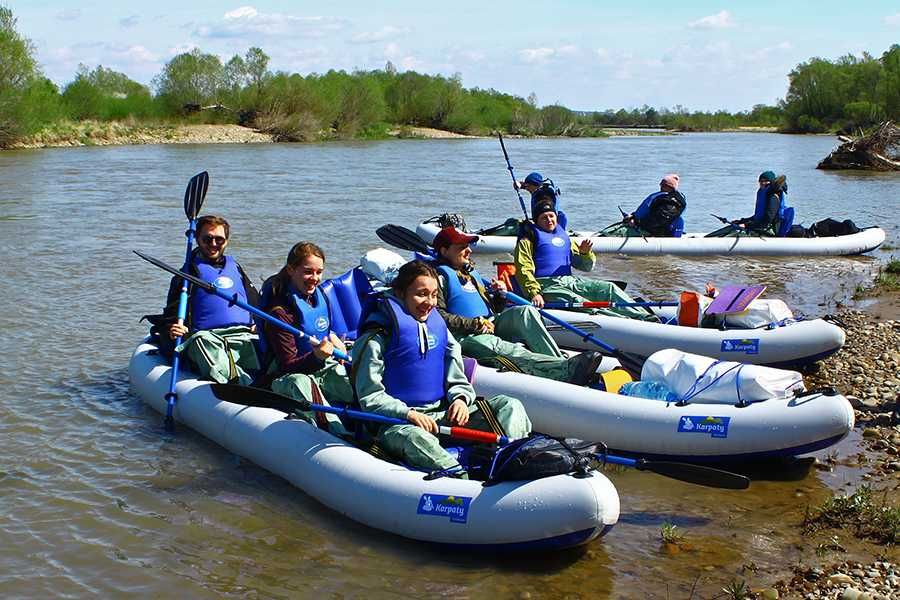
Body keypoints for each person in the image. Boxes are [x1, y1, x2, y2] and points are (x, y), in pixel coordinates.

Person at [351, 260, 532, 474]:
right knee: (416, 439)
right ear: (400, 293)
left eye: (434, 294)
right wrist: (408, 414)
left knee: (509, 406)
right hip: (398, 424)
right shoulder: (377, 336)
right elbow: (370, 397)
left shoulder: (439, 327)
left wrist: (460, 399)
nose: (429, 302)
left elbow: (456, 376)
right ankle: (460, 479)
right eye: (421, 294)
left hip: (442, 416)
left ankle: (516, 463)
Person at [431, 226, 604, 385]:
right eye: (461, 247)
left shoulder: (470, 273)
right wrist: (475, 324)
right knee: (495, 344)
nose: (468, 250)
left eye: (468, 245)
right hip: (466, 337)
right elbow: (437, 315)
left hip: (490, 323)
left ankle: (558, 362)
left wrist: (499, 296)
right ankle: (559, 369)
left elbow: (494, 308)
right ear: (444, 251)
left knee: (526, 312)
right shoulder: (438, 278)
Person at [514, 188, 654, 320]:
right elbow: (523, 268)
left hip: (570, 282)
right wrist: (534, 293)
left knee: (608, 288)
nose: (549, 220)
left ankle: (644, 317)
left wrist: (584, 253)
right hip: (546, 286)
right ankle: (625, 322)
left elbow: (586, 267)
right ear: (537, 220)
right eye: (544, 218)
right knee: (580, 302)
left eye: (551, 216)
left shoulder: (564, 237)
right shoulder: (528, 239)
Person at [259, 242, 354, 434]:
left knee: (354, 382)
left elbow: (325, 331)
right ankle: (336, 433)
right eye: (308, 272)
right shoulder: (280, 313)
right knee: (302, 383)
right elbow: (288, 365)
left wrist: (335, 341)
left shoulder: (318, 297)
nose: (315, 278)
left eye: (319, 272)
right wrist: (317, 357)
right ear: (291, 270)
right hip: (286, 376)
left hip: (321, 366)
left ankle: (372, 426)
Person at [156, 214, 260, 385]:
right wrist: (172, 328)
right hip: (208, 339)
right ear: (197, 239)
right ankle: (238, 384)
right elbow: (171, 314)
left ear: (226, 240)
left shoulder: (236, 268)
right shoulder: (187, 274)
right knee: (200, 340)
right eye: (207, 239)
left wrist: (260, 324)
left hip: (243, 335)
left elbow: (256, 304)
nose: (213, 244)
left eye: (219, 239)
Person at [707, 171, 789, 237]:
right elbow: (757, 217)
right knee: (732, 227)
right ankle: (707, 238)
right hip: (759, 226)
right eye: (761, 181)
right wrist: (741, 221)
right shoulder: (765, 194)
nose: (762, 183)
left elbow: (767, 220)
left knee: (735, 231)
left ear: (771, 182)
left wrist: (746, 225)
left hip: (769, 230)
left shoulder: (773, 197)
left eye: (765, 181)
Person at [604, 174, 686, 237]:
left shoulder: (665, 200)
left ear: (669, 186)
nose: (660, 186)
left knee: (610, 233)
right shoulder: (673, 199)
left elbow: (655, 218)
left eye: (663, 184)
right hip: (654, 228)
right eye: (661, 184)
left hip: (649, 230)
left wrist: (636, 222)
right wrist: (632, 217)